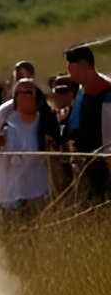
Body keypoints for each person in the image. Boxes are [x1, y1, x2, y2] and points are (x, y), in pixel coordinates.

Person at [0, 79, 58, 212]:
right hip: (9, 188)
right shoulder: (4, 114)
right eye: (23, 93)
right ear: (15, 96)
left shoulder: (45, 116)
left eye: (30, 93)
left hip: (37, 186)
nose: (27, 97)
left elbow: (57, 143)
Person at [63, 43, 111, 196]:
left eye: (72, 66)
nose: (68, 72)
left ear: (84, 65)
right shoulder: (81, 93)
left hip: (105, 166)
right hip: (85, 166)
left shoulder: (108, 93)